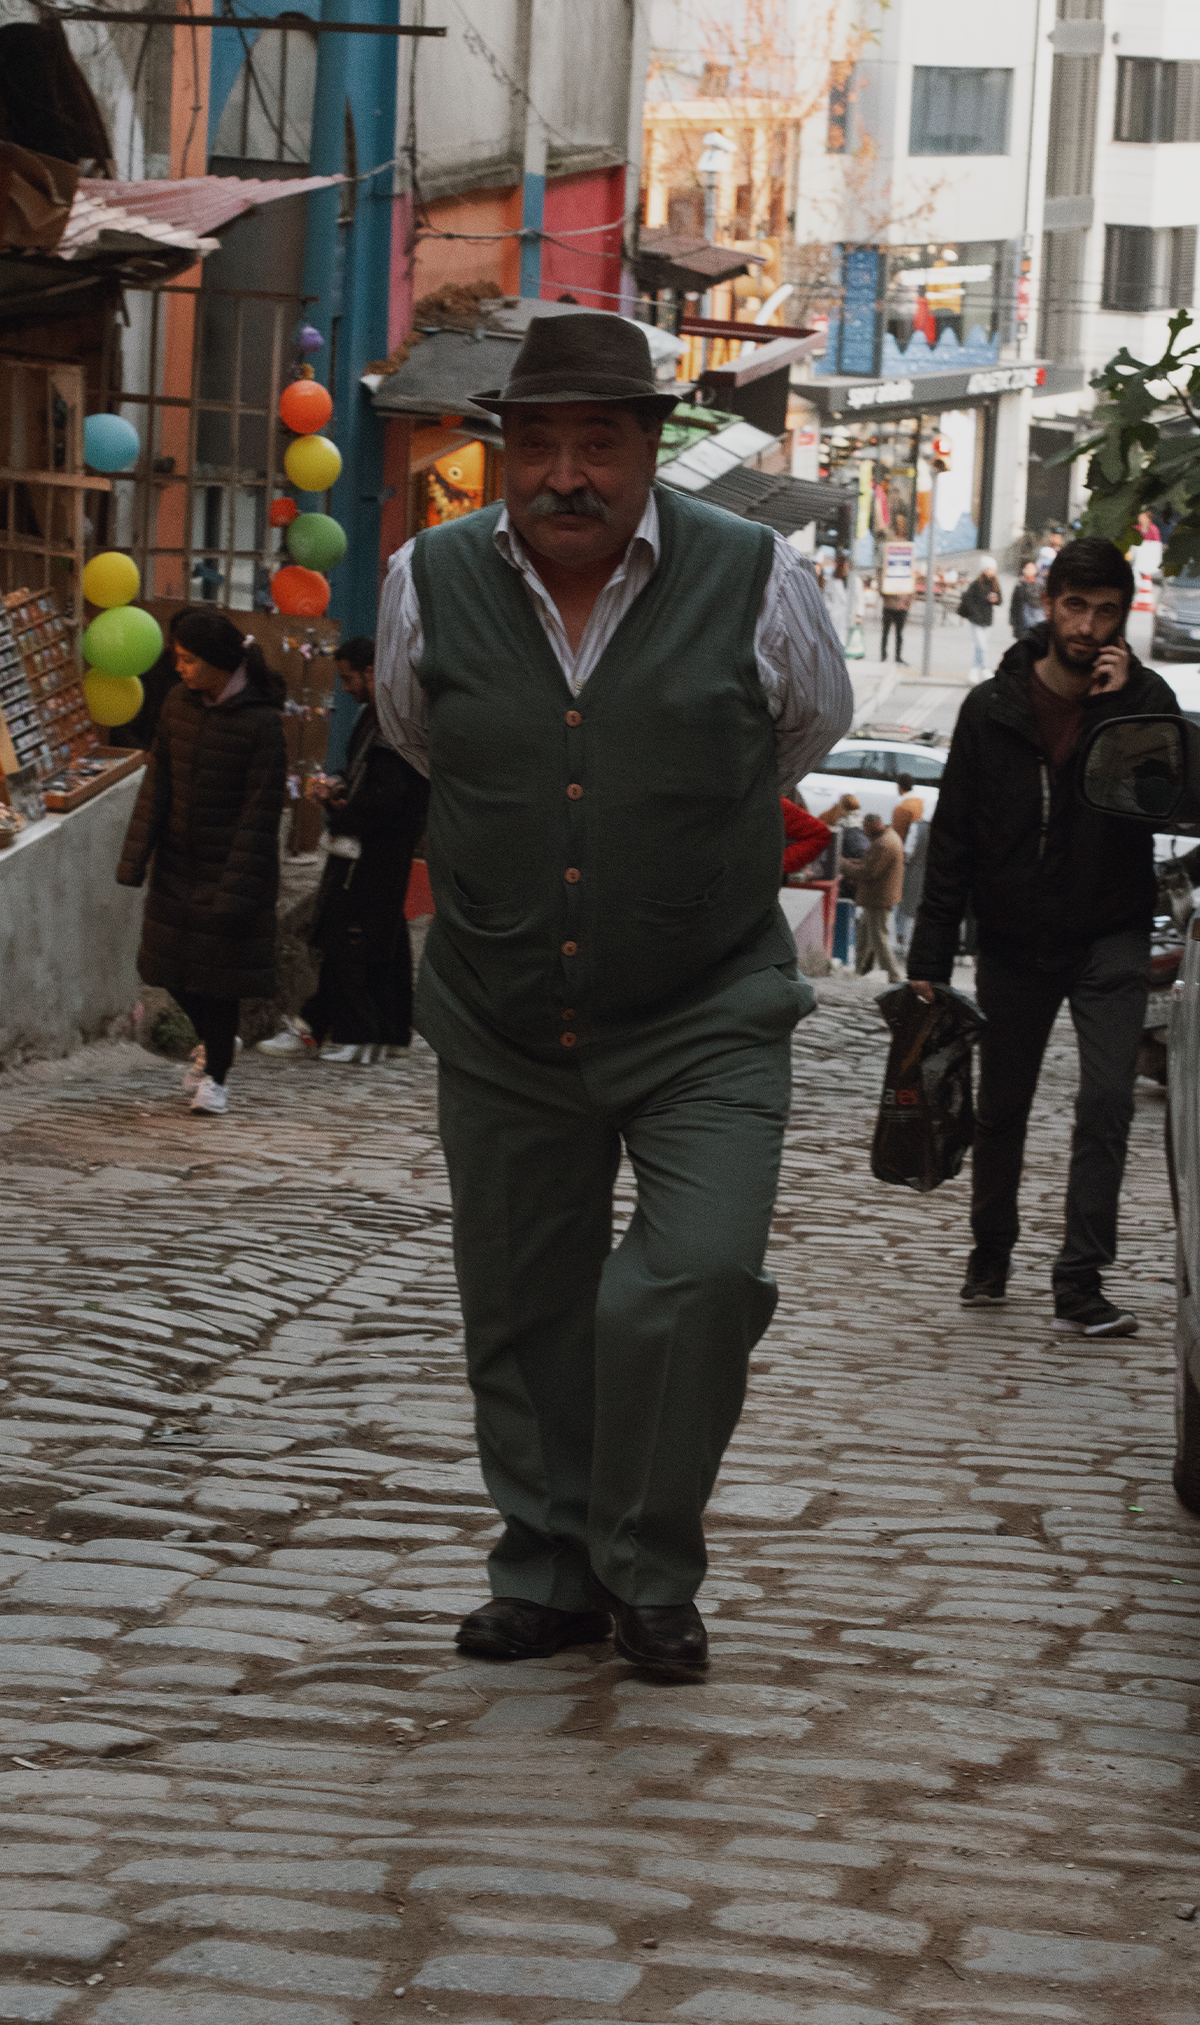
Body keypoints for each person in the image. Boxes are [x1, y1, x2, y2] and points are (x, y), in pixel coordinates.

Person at [374, 307, 850, 1680]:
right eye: (536, 446)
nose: (562, 476)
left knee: (693, 1278)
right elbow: (423, 736)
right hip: (503, 1008)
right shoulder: (427, 581)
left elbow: (800, 730)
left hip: (706, 1008)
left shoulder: (758, 578)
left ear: (651, 452)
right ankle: (550, 1570)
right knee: (522, 1304)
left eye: (597, 444)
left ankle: (650, 1559)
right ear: (500, 457)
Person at [906, 535, 1182, 1338]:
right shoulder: (992, 708)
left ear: (1122, 616)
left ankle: (1081, 1279)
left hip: (1111, 931)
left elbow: (1165, 808)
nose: (1088, 625)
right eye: (1075, 606)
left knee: (1106, 1101)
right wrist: (928, 962)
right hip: (1015, 938)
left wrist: (1126, 708)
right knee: (1004, 1107)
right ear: (1047, 604)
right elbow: (952, 834)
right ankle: (990, 1252)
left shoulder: (1148, 697)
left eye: (1105, 611)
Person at [116, 606, 290, 1116]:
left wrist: (237, 887)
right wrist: (137, 856)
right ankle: (219, 1043)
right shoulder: (177, 703)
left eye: (190, 660)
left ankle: (216, 1072)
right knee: (168, 968)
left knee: (219, 976)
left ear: (218, 662)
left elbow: (261, 813)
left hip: (233, 864)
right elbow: (157, 782)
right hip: (177, 860)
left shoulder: (262, 724)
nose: (180, 669)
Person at [260, 636, 428, 1064]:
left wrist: (343, 808)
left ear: (372, 673)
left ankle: (356, 1031)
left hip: (375, 849)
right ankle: (367, 1029)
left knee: (352, 936)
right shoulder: (377, 717)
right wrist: (337, 782)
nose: (346, 687)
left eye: (349, 677)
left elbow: (393, 795)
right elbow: (363, 773)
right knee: (375, 938)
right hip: (369, 846)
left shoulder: (394, 722)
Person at [844, 807, 906, 979]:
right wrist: (855, 862)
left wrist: (844, 865)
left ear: (874, 826)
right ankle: (858, 970)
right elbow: (871, 864)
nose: (864, 832)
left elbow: (868, 872)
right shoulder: (889, 837)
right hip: (879, 895)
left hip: (878, 897)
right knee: (863, 935)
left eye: (866, 828)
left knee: (878, 938)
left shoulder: (882, 844)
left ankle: (894, 974)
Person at [891, 790, 929, 954]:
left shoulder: (917, 827)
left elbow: (908, 851)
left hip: (914, 872)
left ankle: (904, 944)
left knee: (907, 909)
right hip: (932, 875)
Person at [957, 563, 1002, 676]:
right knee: (982, 645)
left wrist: (995, 600)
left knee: (980, 646)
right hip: (976, 619)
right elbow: (968, 600)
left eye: (993, 569)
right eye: (990, 569)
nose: (992, 571)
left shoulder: (995, 584)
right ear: (984, 570)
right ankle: (985, 668)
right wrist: (974, 613)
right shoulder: (976, 583)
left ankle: (974, 669)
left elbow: (1000, 600)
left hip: (987, 619)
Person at [1008, 561, 1045, 642]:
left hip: (1037, 617)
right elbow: (1014, 604)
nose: (1028, 571)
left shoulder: (1040, 584)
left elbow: (1044, 601)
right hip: (1022, 621)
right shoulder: (1019, 584)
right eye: (1027, 568)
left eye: (1031, 568)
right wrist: (1012, 620)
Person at [879, 575, 911, 663]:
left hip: (902, 608)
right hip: (889, 607)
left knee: (899, 634)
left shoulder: (907, 576)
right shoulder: (888, 575)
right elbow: (882, 592)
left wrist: (907, 605)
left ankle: (898, 656)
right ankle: (883, 654)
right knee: (885, 632)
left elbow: (911, 592)